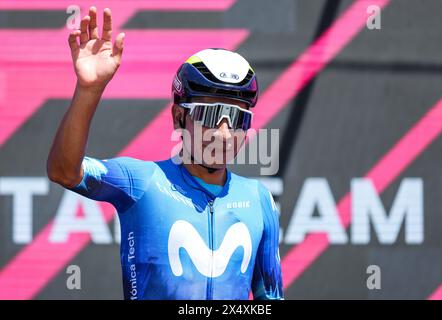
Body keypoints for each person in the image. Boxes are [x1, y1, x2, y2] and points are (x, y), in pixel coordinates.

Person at [47, 6, 283, 300]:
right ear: (178, 118)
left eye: (237, 118)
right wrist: (88, 90)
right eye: (209, 116)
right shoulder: (143, 181)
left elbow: (269, 299)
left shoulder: (259, 199)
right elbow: (63, 171)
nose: (224, 134)